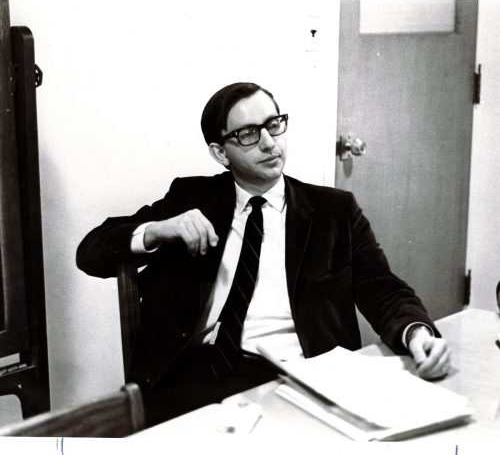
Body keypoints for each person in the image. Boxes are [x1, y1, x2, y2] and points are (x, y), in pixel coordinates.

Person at [77, 82, 450, 427]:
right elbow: (90, 251)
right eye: (249, 134)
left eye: (274, 125)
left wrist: (418, 334)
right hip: (194, 379)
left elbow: (383, 289)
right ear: (220, 153)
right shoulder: (192, 199)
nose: (271, 144)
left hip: (300, 377)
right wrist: (158, 229)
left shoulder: (333, 211)